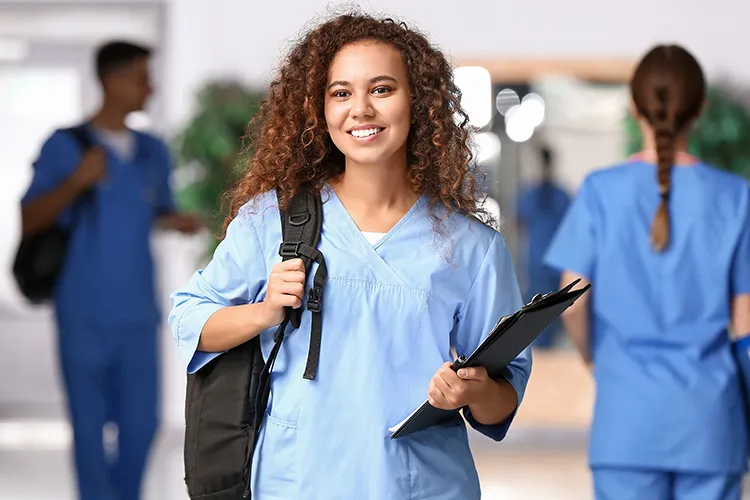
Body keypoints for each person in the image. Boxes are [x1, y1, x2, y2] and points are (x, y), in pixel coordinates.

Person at [169, 13, 531, 500]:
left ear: (418, 102)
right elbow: (189, 318)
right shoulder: (271, 221)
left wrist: (472, 391)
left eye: (382, 89)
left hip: (419, 486)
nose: (360, 109)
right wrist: (265, 311)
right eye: (341, 93)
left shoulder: (471, 248)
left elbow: (502, 397)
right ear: (320, 110)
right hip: (296, 482)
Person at [544, 44, 750, 500]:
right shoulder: (736, 197)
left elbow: (570, 296)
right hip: (710, 423)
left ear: (633, 106)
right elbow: (745, 323)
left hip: (626, 421)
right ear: (701, 110)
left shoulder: (601, 190)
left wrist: (593, 357)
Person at [20, 41, 201, 500]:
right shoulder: (66, 146)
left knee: (143, 424)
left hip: (137, 314)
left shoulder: (153, 152)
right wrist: (76, 182)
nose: (150, 87)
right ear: (112, 79)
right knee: (88, 430)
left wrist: (174, 220)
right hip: (82, 311)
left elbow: (150, 210)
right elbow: (30, 218)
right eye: (142, 77)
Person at [515, 145, 570, 347]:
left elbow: (519, 224)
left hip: (536, 259)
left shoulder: (529, 195)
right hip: (555, 259)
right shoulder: (561, 195)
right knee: (553, 309)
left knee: (536, 308)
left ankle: (539, 350)